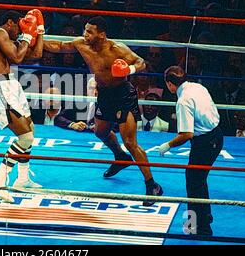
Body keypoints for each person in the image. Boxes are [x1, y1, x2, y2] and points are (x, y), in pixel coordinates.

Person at [43, 16, 163, 206]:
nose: (85, 34)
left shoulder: (117, 49)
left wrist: (128, 69)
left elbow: (141, 62)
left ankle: (152, 185)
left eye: (89, 32)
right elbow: (58, 46)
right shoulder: (81, 45)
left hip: (124, 95)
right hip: (105, 95)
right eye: (85, 30)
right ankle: (120, 157)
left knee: (131, 142)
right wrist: (35, 37)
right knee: (100, 131)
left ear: (102, 34)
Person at [157, 66, 223, 236]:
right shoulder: (198, 87)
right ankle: (200, 221)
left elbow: (186, 134)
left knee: (195, 181)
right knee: (198, 179)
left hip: (205, 142)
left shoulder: (183, 100)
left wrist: (168, 145)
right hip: (216, 135)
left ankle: (200, 226)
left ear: (170, 84)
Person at [0, 9, 44, 188]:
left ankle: (23, 178)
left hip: (11, 85)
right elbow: (17, 57)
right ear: (9, 22)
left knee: (30, 131)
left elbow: (36, 54)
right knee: (25, 138)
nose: (19, 30)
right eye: (18, 26)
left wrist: (39, 30)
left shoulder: (9, 41)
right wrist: (26, 35)